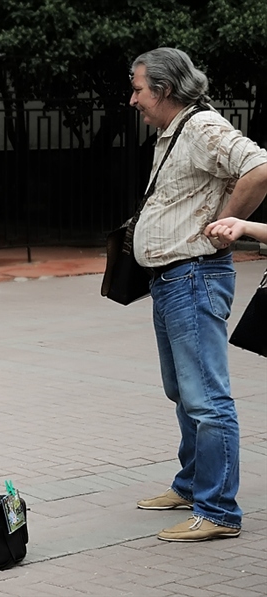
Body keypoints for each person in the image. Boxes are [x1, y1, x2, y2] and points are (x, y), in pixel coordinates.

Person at [128, 48, 267, 542]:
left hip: (193, 277)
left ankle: (219, 510)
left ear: (164, 89)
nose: (133, 99)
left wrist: (228, 222)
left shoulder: (202, 127)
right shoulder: (176, 131)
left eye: (138, 89)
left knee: (207, 398)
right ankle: (191, 486)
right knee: (184, 392)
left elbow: (260, 167)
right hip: (172, 280)